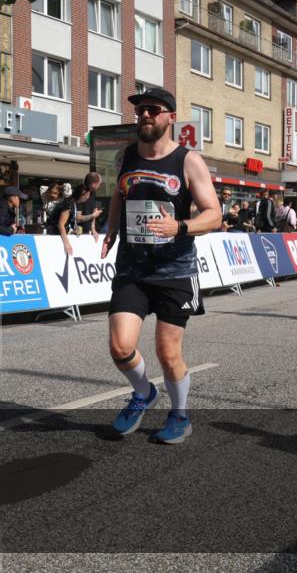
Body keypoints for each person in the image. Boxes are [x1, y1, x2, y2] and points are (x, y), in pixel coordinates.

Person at [100, 87, 220, 444]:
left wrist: (179, 226)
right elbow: (119, 197)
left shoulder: (188, 161)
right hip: (132, 269)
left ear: (170, 117)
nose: (145, 116)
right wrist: (110, 231)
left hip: (175, 271)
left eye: (153, 110)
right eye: (140, 111)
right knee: (121, 347)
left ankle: (179, 415)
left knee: (168, 354)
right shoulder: (125, 157)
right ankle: (143, 393)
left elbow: (214, 214)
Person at [48, 183, 92, 255]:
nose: (88, 197)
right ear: (82, 194)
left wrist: (73, 230)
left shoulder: (72, 203)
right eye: (87, 195)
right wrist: (67, 243)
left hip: (57, 234)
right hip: (55, 235)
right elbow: (60, 224)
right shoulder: (68, 203)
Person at [76, 172, 104, 240]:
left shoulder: (93, 193)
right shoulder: (81, 193)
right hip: (77, 232)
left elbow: (93, 210)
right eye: (99, 184)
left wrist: (93, 229)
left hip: (86, 231)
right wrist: (93, 215)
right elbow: (78, 218)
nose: (99, 186)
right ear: (93, 184)